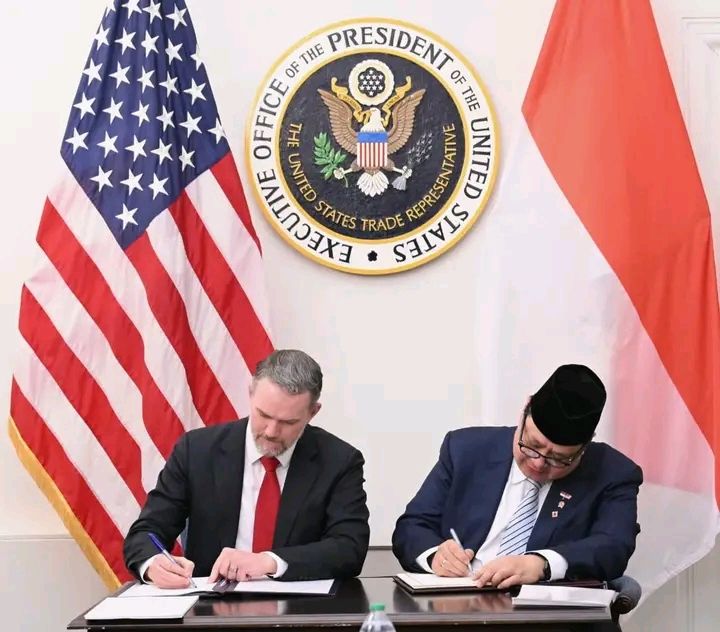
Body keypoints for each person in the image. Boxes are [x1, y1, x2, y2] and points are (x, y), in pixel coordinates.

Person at [124, 349, 370, 587]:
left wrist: (269, 562)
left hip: (299, 606)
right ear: (251, 393)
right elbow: (147, 531)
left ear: (312, 412)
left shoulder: (339, 461)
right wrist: (153, 563)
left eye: (288, 422)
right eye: (264, 415)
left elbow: (349, 547)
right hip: (211, 604)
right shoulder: (196, 451)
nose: (271, 432)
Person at [392, 364, 642, 589]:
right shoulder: (465, 450)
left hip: (549, 617)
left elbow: (613, 546)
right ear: (524, 412)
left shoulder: (613, 473)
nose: (538, 463)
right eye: (532, 445)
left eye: (558, 458)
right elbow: (412, 527)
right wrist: (436, 556)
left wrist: (541, 564)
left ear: (584, 448)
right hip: (458, 607)